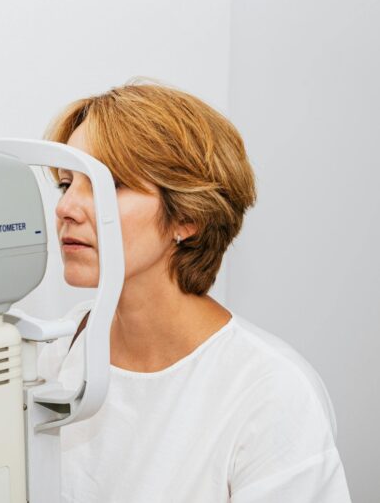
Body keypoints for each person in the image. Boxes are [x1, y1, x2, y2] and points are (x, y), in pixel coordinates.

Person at [37, 81, 352, 502]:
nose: (65, 208)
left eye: (109, 183)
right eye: (65, 184)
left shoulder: (270, 393)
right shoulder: (56, 353)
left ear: (188, 217)